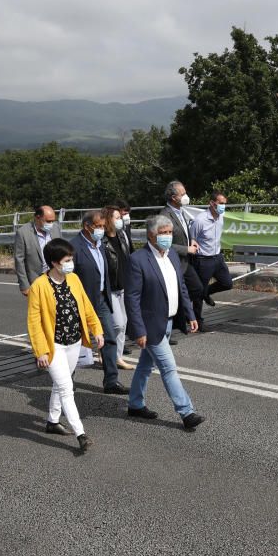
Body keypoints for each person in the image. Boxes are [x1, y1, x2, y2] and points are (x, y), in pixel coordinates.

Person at [125, 215, 205, 430]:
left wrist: (191, 315)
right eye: (163, 233)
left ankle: (135, 403)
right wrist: (139, 330)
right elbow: (131, 298)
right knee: (169, 368)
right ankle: (186, 412)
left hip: (169, 321)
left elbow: (182, 288)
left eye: (169, 233)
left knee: (144, 365)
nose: (168, 237)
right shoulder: (138, 259)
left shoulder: (172, 257)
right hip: (150, 324)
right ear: (151, 235)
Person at [27, 239, 103, 452]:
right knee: (66, 388)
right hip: (54, 346)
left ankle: (52, 421)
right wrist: (40, 350)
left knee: (62, 383)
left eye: (72, 259)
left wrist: (96, 329)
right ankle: (81, 434)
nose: (71, 263)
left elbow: (86, 306)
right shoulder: (39, 287)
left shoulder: (74, 279)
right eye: (67, 260)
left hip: (74, 341)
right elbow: (34, 322)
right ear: (54, 262)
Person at [69, 210, 128, 393]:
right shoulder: (74, 247)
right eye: (98, 226)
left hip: (102, 298)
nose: (101, 230)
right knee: (74, 344)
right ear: (87, 226)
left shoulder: (100, 244)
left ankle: (111, 381)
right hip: (80, 301)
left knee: (109, 338)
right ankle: (67, 384)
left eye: (103, 226)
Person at [159, 180, 205, 344]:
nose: (186, 196)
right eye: (182, 194)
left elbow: (184, 232)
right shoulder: (165, 215)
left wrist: (191, 241)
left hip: (185, 262)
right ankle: (168, 329)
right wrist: (186, 249)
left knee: (197, 289)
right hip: (173, 261)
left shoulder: (181, 211)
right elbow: (164, 242)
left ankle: (181, 318)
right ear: (173, 197)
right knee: (171, 295)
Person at [189, 191, 233, 331]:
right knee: (198, 293)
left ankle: (207, 292)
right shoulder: (200, 220)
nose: (223, 206)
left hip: (217, 257)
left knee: (227, 283)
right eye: (220, 203)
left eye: (224, 203)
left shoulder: (221, 217)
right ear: (212, 203)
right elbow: (193, 239)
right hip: (203, 260)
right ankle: (198, 321)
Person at [103, 205, 136, 369]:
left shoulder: (122, 235)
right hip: (110, 289)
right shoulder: (101, 240)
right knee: (118, 324)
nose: (120, 220)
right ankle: (109, 354)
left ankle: (117, 356)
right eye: (116, 217)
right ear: (108, 220)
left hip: (123, 285)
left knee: (124, 322)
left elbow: (129, 256)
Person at [14, 205, 61, 296]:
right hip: (36, 280)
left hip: (56, 276)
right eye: (48, 221)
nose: (51, 224)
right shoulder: (23, 233)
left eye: (53, 221)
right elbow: (19, 260)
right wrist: (24, 285)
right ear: (37, 218)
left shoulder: (55, 228)